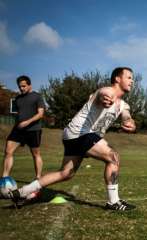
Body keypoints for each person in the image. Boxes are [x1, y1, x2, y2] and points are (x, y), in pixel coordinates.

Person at [9, 67, 137, 211]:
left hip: (73, 135)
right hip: (81, 133)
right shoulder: (107, 91)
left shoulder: (124, 105)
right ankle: (114, 202)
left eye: (132, 78)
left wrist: (129, 122)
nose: (132, 81)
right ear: (117, 79)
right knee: (113, 157)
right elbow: (103, 94)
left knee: (66, 173)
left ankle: (21, 193)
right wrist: (104, 98)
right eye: (129, 77)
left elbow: (126, 115)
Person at [2, 75, 45, 179]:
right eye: (20, 86)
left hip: (33, 130)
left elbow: (40, 114)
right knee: (8, 151)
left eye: (24, 86)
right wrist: (18, 123)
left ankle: (38, 178)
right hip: (19, 129)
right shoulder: (18, 99)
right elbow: (18, 113)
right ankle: (5, 178)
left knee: (36, 154)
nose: (21, 88)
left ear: (30, 85)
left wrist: (27, 122)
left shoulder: (37, 97)